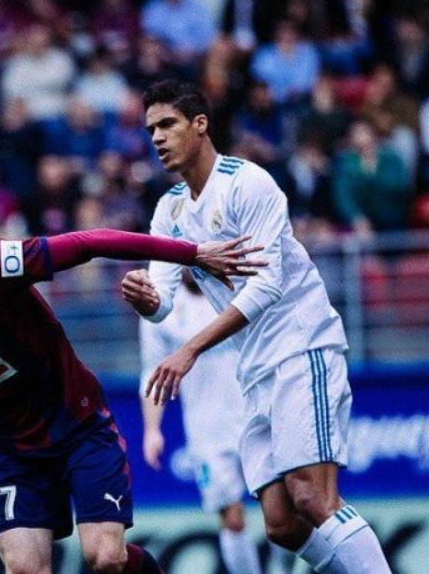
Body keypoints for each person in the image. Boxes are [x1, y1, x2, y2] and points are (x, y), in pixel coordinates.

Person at [0, 203, 263, 574]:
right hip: (12, 451)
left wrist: (193, 253)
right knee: (24, 568)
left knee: (107, 559)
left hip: (79, 426)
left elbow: (89, 243)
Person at [123, 79, 391, 573]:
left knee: (313, 497)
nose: (157, 138)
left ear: (200, 125)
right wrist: (146, 302)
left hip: (301, 345)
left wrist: (191, 349)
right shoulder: (169, 212)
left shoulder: (249, 183)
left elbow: (266, 288)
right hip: (255, 368)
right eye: (150, 129)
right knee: (281, 524)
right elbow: (163, 306)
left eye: (167, 125)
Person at [133, 272, 293, 574]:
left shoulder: (242, 292)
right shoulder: (160, 308)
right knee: (232, 519)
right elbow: (151, 374)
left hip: (259, 420)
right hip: (206, 432)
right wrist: (152, 430)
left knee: (281, 516)